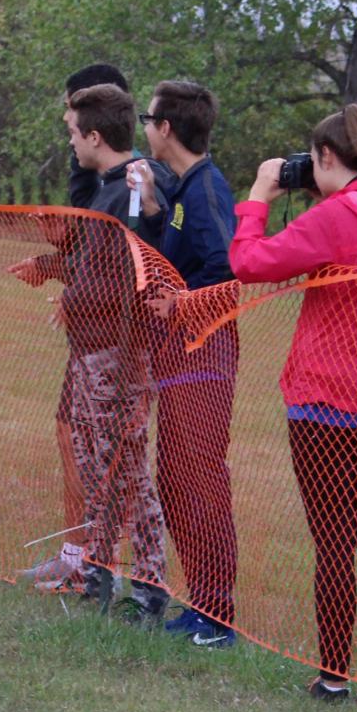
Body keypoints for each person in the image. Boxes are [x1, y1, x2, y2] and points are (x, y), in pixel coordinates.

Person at [229, 104, 357, 705]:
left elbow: (248, 262)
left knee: (334, 540)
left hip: (322, 397)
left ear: (329, 159)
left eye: (313, 161)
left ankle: (334, 675)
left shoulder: (332, 219)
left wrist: (261, 191)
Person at [10, 82, 171, 623]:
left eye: (76, 133)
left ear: (96, 135)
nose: (72, 143)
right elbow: (93, 268)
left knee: (125, 469)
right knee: (93, 462)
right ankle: (97, 571)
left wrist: (146, 195)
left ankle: (149, 584)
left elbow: (143, 247)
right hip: (88, 351)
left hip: (117, 355)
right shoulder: (102, 189)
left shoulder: (131, 187)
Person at [131, 80, 239, 648]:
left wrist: (183, 303)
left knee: (199, 477)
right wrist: (152, 208)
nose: (144, 129)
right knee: (173, 475)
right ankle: (200, 601)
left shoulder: (208, 190)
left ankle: (218, 615)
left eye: (148, 119)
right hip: (178, 348)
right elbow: (173, 257)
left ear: (166, 128)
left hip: (206, 352)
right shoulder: (181, 189)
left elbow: (229, 273)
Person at [18, 62, 133, 592]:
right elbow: (89, 251)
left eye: (72, 110)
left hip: (113, 341)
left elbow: (121, 267)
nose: (66, 121)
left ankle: (96, 562)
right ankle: (79, 554)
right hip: (88, 335)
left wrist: (76, 289)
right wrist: (57, 254)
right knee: (73, 434)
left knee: (108, 448)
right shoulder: (90, 173)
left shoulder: (127, 184)